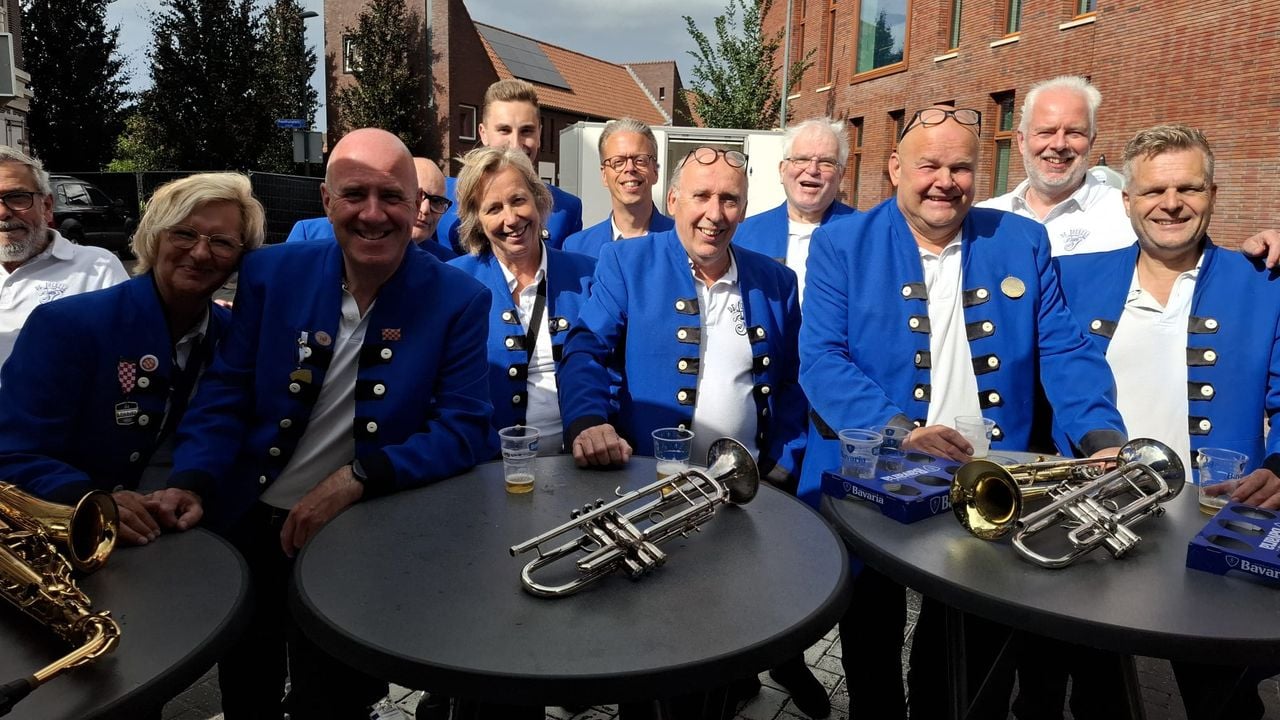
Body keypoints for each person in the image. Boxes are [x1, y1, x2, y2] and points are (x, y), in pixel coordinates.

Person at [147, 128, 496, 720]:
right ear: (326, 200)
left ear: (418, 208)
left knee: (336, 698)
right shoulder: (271, 273)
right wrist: (194, 479)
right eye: (354, 194)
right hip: (248, 526)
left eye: (391, 197)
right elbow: (226, 391)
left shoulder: (457, 297)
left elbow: (464, 428)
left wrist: (360, 476)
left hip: (358, 537)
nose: (373, 213)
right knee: (246, 686)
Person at [797, 106, 1127, 720]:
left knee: (966, 650)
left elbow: (1062, 349)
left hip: (992, 479)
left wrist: (1101, 435)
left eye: (961, 167)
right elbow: (821, 360)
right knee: (871, 632)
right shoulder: (841, 242)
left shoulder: (1023, 239)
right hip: (875, 473)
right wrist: (902, 432)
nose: (944, 180)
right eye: (929, 165)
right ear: (895, 167)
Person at [559, 147, 817, 718]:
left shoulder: (776, 281)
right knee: (648, 654)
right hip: (651, 498)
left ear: (746, 208)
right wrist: (589, 420)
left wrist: (782, 464)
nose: (714, 212)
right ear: (672, 199)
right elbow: (584, 348)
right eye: (701, 196)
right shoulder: (627, 262)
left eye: (729, 198)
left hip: (738, 500)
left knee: (726, 640)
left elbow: (796, 385)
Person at [1054, 124, 1280, 719]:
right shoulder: (1071, 278)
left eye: (1189, 188)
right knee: (1098, 696)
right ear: (1127, 200)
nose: (1171, 204)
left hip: (1216, 521)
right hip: (1099, 517)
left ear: (1213, 194)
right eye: (1153, 191)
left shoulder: (1262, 282)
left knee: (1225, 700)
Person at [0, 172, 264, 546]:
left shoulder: (233, 334)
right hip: (72, 541)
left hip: (179, 541)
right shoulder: (66, 325)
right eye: (184, 234)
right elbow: (13, 450)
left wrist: (191, 488)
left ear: (241, 259)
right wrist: (89, 500)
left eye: (222, 242)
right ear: (154, 238)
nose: (201, 253)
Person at [979, 74, 1280, 267]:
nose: (1059, 145)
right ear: (1020, 141)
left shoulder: (1130, 212)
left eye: (1075, 133)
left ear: (1092, 141)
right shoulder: (984, 218)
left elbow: (1193, 262)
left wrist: (1252, 257)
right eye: (1045, 132)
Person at [450, 146, 595, 454]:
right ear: (477, 219)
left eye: (518, 201)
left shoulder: (589, 275)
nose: (511, 218)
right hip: (487, 469)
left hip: (578, 467)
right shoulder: (454, 283)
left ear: (539, 201)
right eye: (493, 209)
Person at [0, 146, 127, 369]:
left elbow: (125, 354)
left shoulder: (97, 269)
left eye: (17, 197)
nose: (3, 212)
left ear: (47, 206)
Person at [438, 79, 584, 251]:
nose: (515, 144)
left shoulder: (566, 208)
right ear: (483, 134)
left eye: (526, 131)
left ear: (539, 135)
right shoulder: (441, 196)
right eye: (504, 130)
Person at [732, 117, 856, 303]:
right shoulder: (742, 235)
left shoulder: (865, 236)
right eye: (801, 159)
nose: (812, 169)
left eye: (826, 162)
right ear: (782, 170)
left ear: (841, 175)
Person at [286, 156, 457, 262]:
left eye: (437, 201)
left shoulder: (449, 266)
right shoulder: (310, 234)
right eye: (416, 197)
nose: (425, 209)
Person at [562, 117, 673, 257]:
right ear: (604, 175)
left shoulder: (683, 242)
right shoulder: (577, 249)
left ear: (655, 171)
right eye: (618, 162)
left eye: (640, 160)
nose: (630, 168)